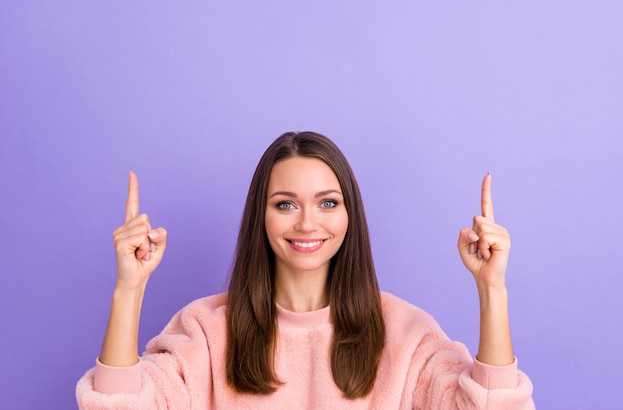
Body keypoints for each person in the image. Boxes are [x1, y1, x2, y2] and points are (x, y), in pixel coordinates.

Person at [76, 131, 534, 409]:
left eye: (327, 203)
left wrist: (492, 289)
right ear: (262, 215)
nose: (307, 223)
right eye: (286, 204)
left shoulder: (405, 334)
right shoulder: (206, 331)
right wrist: (128, 289)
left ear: (349, 214)